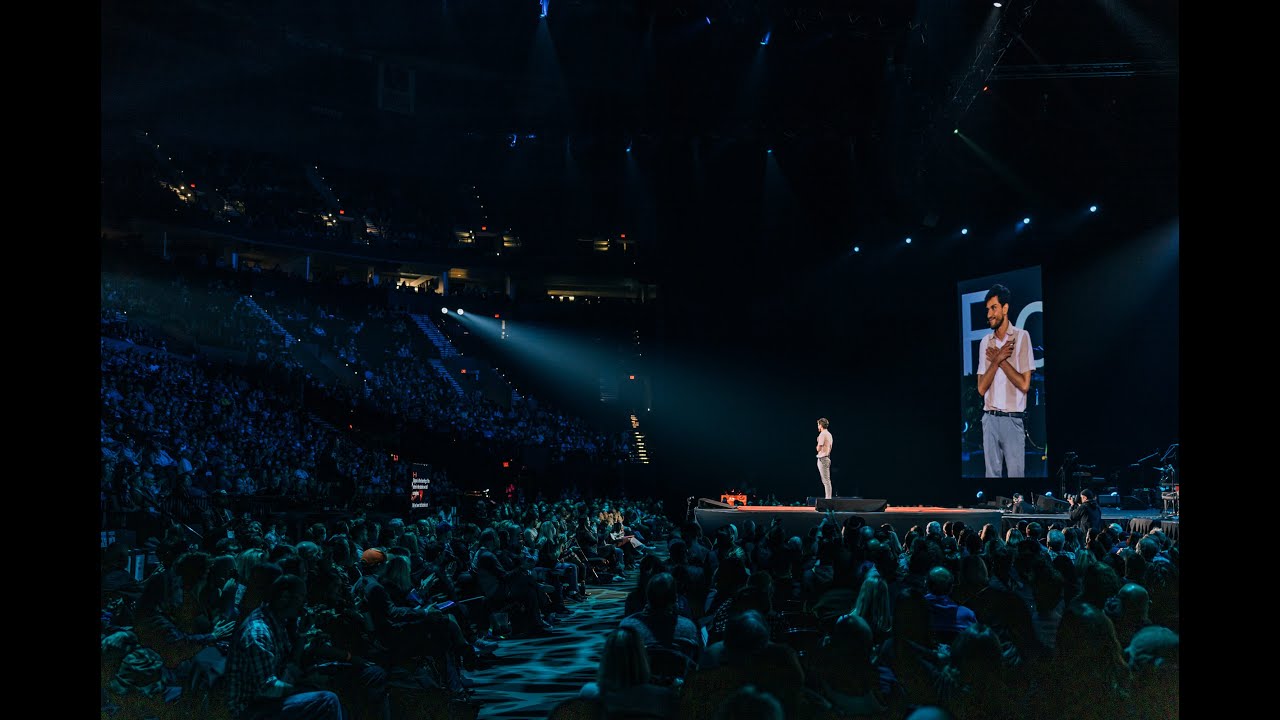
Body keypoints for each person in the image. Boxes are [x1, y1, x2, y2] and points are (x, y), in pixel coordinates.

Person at [976, 284, 1035, 478]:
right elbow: (981, 388)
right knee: (991, 478)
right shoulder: (986, 342)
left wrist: (1001, 360)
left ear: (1005, 308)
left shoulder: (1022, 337)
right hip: (990, 419)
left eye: (993, 308)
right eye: (987, 309)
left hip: (1013, 419)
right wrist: (996, 360)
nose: (989, 314)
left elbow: (1024, 384)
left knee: (1016, 478)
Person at [815, 417, 834, 500]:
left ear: (821, 425)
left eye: (818, 425)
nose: (818, 426)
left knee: (826, 481)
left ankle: (828, 499)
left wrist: (818, 441)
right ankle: (828, 499)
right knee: (826, 481)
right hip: (826, 458)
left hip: (823, 458)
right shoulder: (829, 434)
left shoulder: (822, 434)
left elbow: (818, 448)